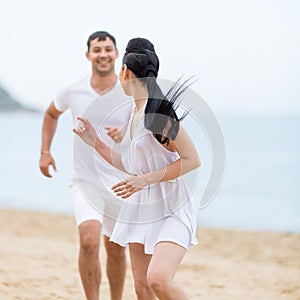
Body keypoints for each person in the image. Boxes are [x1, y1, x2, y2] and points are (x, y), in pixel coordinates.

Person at [73, 38, 201, 300]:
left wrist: (145, 180)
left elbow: (192, 160)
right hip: (142, 208)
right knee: (142, 288)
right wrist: (94, 141)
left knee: (159, 280)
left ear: (125, 73)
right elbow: (129, 165)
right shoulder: (135, 111)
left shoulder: (159, 115)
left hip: (171, 208)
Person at [39, 31, 134, 300]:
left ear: (116, 54)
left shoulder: (129, 91)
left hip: (121, 182)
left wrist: (125, 134)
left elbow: (143, 129)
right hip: (86, 181)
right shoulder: (72, 89)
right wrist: (45, 152)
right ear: (88, 55)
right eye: (97, 49)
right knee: (89, 240)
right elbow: (50, 113)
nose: (102, 54)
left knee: (116, 247)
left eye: (107, 49)